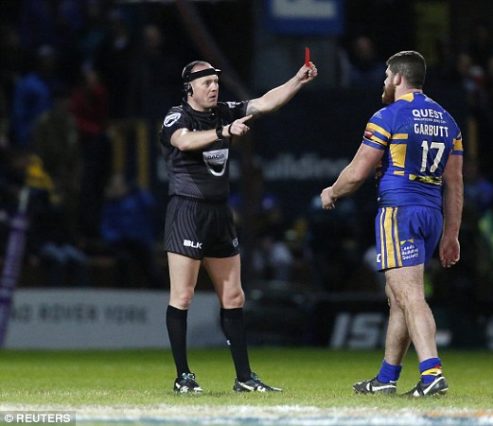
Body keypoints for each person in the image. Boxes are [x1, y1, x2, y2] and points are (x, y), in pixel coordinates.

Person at [160, 58, 317, 394]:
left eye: (216, 82)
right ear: (189, 88)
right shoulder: (178, 115)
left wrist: (296, 80)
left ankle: (244, 378)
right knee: (183, 295)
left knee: (234, 295)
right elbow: (183, 141)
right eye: (206, 83)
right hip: (188, 210)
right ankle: (183, 376)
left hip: (219, 212)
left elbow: (265, 103)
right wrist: (224, 132)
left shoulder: (224, 111)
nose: (214, 87)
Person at [320, 51, 463, 397]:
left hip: (400, 211)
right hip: (431, 214)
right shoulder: (448, 121)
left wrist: (331, 192)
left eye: (386, 76)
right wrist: (451, 234)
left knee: (410, 295)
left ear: (398, 77)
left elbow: (357, 173)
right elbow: (455, 183)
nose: (384, 82)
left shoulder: (388, 116)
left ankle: (432, 373)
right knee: (398, 296)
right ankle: (386, 378)